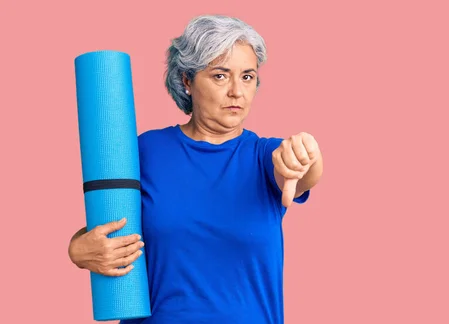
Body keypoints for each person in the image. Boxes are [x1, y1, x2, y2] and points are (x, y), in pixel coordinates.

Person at [67, 14, 323, 323]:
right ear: (187, 80)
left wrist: (307, 154)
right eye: (219, 75)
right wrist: (78, 249)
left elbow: (302, 172)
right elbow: (110, 226)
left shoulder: (265, 155)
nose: (236, 92)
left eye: (247, 76)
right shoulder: (144, 151)